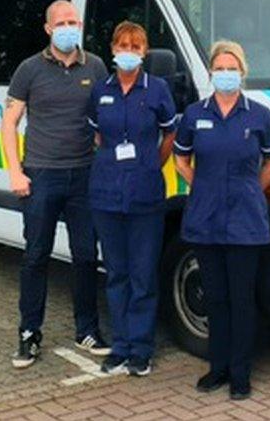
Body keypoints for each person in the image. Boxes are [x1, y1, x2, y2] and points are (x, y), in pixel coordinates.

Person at [1, 0, 111, 369]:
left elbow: (101, 119)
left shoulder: (94, 66)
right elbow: (9, 122)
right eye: (62, 22)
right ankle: (29, 334)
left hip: (84, 175)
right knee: (36, 256)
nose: (70, 27)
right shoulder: (29, 70)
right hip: (41, 174)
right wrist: (16, 172)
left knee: (85, 257)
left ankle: (88, 330)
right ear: (48, 29)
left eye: (75, 21)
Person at [173, 41, 270, 400]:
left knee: (241, 299)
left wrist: (250, 189)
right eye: (218, 68)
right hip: (205, 220)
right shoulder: (194, 115)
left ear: (242, 72)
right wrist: (202, 186)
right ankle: (216, 368)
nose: (224, 74)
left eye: (231, 68)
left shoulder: (259, 115)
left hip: (245, 221)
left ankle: (240, 373)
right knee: (215, 298)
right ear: (210, 73)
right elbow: (180, 160)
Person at [86, 21, 177, 377]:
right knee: (116, 274)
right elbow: (97, 137)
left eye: (135, 46)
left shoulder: (157, 90)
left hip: (145, 196)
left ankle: (140, 349)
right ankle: (120, 346)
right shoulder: (100, 91)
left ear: (144, 51)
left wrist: (150, 164)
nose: (128, 51)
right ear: (113, 48)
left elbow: (169, 134)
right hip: (106, 194)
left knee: (143, 276)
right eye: (122, 44)